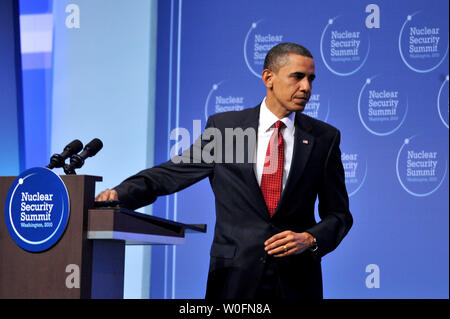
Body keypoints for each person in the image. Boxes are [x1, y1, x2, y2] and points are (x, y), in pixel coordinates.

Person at [96, 42, 353, 299]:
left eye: (311, 79)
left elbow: (339, 214)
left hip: (297, 280)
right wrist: (121, 194)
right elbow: (171, 173)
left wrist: (309, 238)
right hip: (233, 278)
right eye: (298, 77)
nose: (306, 87)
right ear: (268, 78)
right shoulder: (226, 129)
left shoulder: (324, 138)